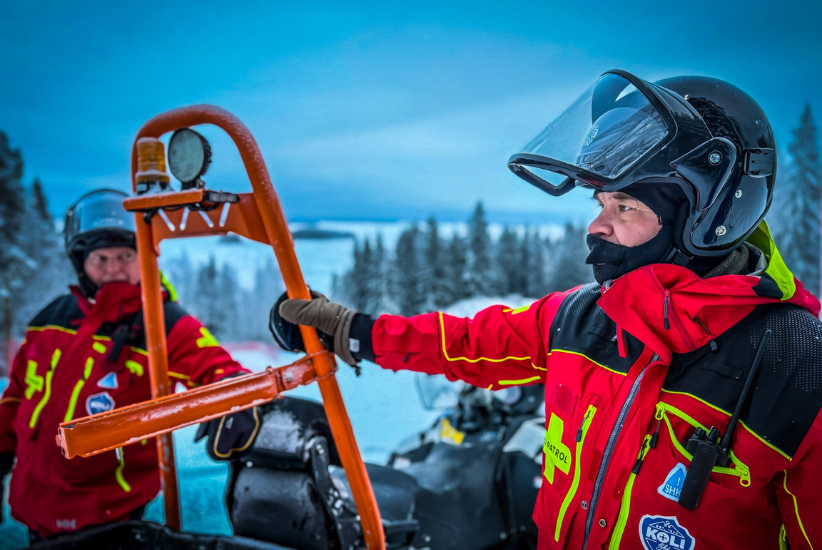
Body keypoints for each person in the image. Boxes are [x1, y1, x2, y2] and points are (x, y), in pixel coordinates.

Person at [274, 72, 822, 549]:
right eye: (600, 203)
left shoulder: (797, 367)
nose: (596, 227)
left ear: (707, 217)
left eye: (624, 205)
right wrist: (352, 331)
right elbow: (466, 343)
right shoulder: (583, 319)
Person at [0, 189, 259, 542]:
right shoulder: (51, 319)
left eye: (125, 255)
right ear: (81, 263)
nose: (113, 269)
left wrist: (236, 399)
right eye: (100, 259)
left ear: (144, 258)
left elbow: (218, 369)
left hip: (109, 515)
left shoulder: (161, 322)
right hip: (36, 506)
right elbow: (17, 395)